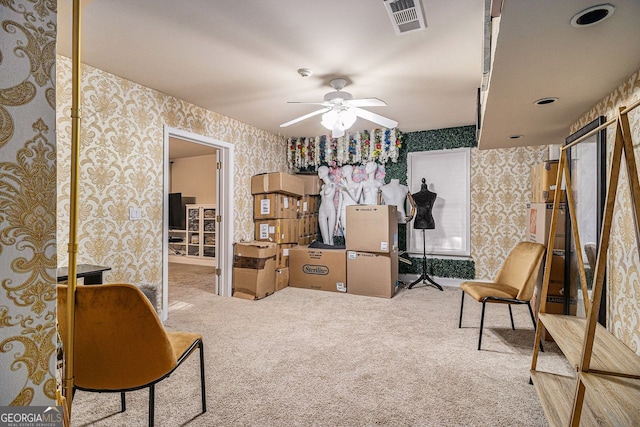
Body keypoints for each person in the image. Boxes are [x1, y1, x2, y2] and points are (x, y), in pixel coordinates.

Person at [336, 164, 363, 238]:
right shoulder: (342, 186)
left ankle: (354, 247)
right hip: (343, 209)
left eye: (343, 171)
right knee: (345, 230)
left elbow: (356, 199)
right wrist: (338, 218)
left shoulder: (358, 185)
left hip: (354, 208)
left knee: (355, 230)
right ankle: (347, 247)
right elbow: (340, 203)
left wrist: (347, 188)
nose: (342, 173)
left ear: (348, 172)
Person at [317, 165, 337, 245]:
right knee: (325, 239)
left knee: (330, 238)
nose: (318, 174)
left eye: (320, 172)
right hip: (322, 210)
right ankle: (326, 256)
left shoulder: (332, 184)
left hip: (330, 210)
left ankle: (331, 256)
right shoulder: (323, 186)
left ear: (325, 173)